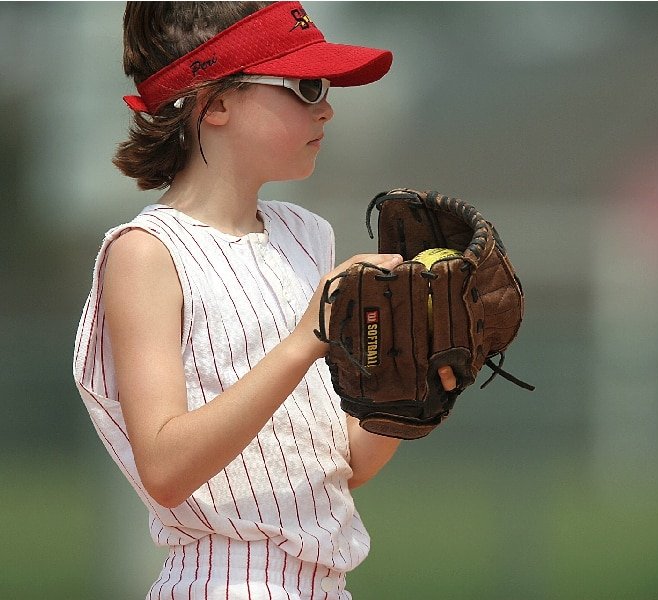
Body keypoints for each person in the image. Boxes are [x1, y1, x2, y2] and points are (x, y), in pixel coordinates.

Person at [73, 2, 456, 598]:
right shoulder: (147, 253)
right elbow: (165, 470)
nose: (326, 106)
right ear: (215, 101)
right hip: (223, 582)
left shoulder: (307, 235)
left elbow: (341, 467)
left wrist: (422, 384)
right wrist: (307, 339)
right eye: (304, 86)